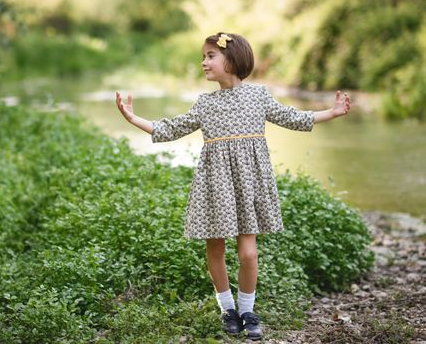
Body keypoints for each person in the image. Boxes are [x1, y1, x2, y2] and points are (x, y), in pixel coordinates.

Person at [115, 32, 350, 340]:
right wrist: (133, 118)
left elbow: (293, 117)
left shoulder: (259, 96)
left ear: (233, 59)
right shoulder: (205, 103)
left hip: (248, 181)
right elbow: (170, 128)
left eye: (210, 55)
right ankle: (227, 309)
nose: (204, 62)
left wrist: (331, 112)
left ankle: (248, 309)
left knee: (248, 253)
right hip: (215, 183)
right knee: (215, 246)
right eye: (203, 56)